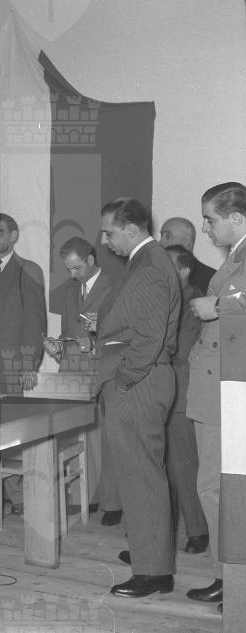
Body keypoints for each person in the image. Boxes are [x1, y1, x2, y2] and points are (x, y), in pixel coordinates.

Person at [97, 197, 180, 598]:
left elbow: (148, 338)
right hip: (142, 380)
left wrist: (125, 379)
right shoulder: (147, 261)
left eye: (109, 232)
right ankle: (151, 552)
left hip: (138, 382)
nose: (105, 240)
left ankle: (153, 573)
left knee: (142, 475)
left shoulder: (148, 267)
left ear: (132, 229)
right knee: (142, 473)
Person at [187, 182, 246, 611]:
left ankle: (234, 582)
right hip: (217, 386)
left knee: (216, 487)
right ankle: (228, 578)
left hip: (230, 389)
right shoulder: (235, 257)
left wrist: (219, 307)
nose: (205, 228)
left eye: (210, 219)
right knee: (216, 487)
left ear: (236, 218)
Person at [46, 237, 122, 526]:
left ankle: (113, 502)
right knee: (79, 436)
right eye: (68, 269)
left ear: (90, 260)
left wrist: (94, 342)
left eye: (76, 268)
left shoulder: (114, 286)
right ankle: (87, 497)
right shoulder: (69, 290)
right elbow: (68, 332)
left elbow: (122, 333)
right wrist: (57, 347)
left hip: (104, 370)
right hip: (73, 372)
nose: (72, 274)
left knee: (108, 438)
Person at [0, 213, 46, 514]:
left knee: (14, 433)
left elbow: (35, 321)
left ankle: (20, 497)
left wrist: (30, 364)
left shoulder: (28, 270)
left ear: (14, 236)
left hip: (14, 365)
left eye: (0, 232)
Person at [163, 245, 209, 554]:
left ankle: (197, 530)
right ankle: (162, 531)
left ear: (184, 271)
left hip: (180, 392)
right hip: (158, 390)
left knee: (184, 465)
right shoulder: (163, 298)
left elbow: (179, 349)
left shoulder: (194, 303)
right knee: (159, 465)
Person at [159, 216, 216, 294]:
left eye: (168, 236)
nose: (160, 242)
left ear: (187, 241)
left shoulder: (211, 279)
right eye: (161, 235)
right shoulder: (153, 269)